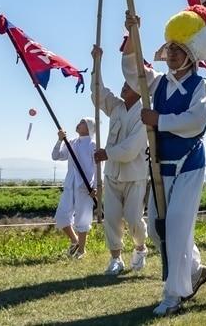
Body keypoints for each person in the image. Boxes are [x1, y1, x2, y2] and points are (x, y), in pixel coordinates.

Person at [123, 7, 206, 316]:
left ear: (192, 53)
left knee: (177, 226)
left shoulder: (201, 86)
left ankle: (173, 295)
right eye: (170, 48)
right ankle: (192, 270)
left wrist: (158, 120)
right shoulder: (158, 83)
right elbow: (131, 72)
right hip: (160, 167)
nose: (173, 54)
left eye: (179, 49)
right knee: (156, 229)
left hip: (189, 166)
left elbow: (196, 120)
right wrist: (131, 38)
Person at [91, 46, 148, 276]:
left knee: (134, 218)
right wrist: (97, 62)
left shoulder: (144, 113)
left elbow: (131, 149)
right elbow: (97, 94)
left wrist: (108, 153)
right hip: (112, 173)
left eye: (128, 84)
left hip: (134, 174)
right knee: (112, 218)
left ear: (138, 89)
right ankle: (116, 258)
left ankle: (140, 248)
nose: (123, 86)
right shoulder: (116, 106)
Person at [51, 118, 97, 259]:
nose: (79, 123)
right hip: (70, 184)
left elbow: (98, 166)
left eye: (83, 122)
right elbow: (56, 156)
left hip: (85, 186)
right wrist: (60, 140)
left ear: (88, 127)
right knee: (61, 216)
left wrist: (95, 186)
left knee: (82, 219)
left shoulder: (93, 144)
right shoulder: (71, 142)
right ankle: (74, 240)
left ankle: (81, 251)